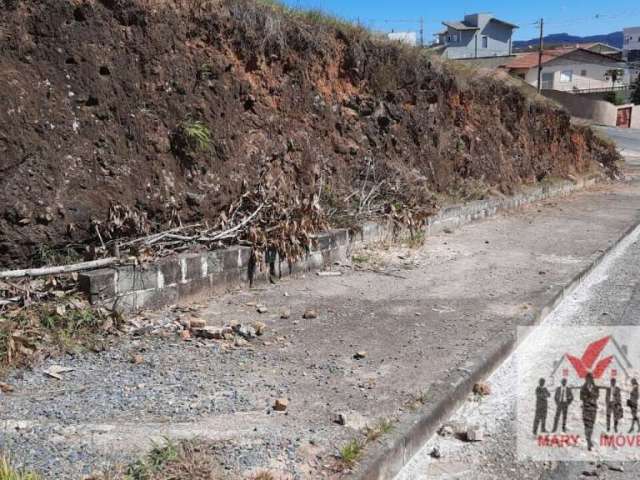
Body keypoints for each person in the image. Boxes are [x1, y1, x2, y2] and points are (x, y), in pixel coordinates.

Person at [580, 373, 599, 451]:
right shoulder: (583, 388)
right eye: (588, 379)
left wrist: (590, 396)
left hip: (593, 408)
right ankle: (588, 441)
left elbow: (597, 396)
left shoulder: (595, 387)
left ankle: (589, 438)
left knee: (591, 424)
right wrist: (589, 397)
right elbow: (581, 397)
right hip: (586, 408)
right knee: (587, 425)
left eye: (590, 378)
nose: (589, 380)